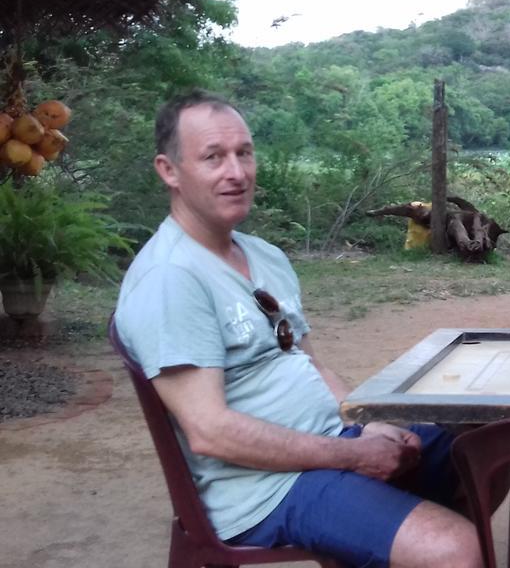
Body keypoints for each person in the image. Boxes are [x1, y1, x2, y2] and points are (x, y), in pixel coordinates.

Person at [114, 91, 481, 568]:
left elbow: (308, 364)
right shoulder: (170, 278)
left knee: (499, 448)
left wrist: (371, 424)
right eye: (213, 157)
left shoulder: (264, 256)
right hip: (263, 488)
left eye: (244, 152)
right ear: (169, 170)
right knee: (456, 548)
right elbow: (211, 433)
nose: (237, 172)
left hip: (331, 446)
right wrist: (352, 457)